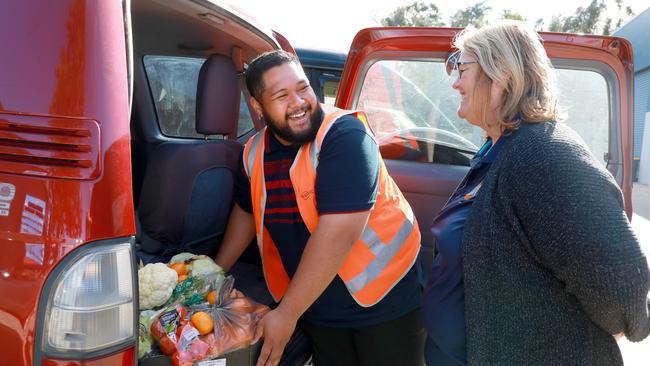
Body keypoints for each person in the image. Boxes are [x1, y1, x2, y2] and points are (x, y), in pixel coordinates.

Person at [421, 21, 650, 366]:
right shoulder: (497, 150)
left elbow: (623, 287)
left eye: (462, 67)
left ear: (499, 77)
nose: (455, 82)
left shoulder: (545, 154)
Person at [215, 49, 425, 366]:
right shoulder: (253, 152)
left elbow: (338, 232)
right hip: (317, 304)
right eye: (281, 95)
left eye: (303, 88)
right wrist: (215, 273)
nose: (299, 102)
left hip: (385, 298)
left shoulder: (345, 136)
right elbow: (246, 211)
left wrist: (286, 314)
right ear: (258, 107)